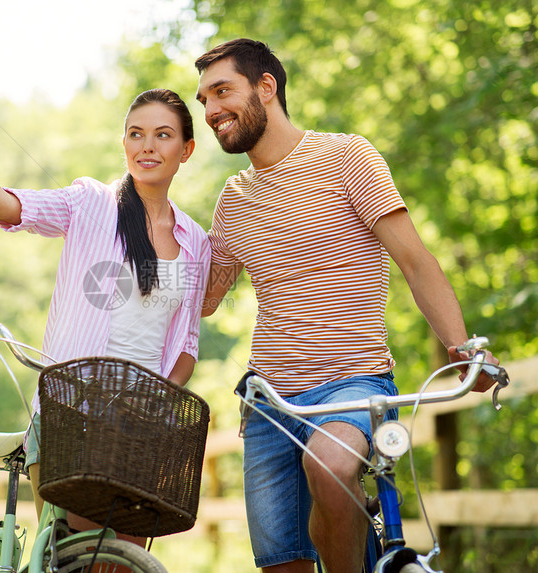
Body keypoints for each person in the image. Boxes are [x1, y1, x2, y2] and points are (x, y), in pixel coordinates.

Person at [194, 39, 499, 572]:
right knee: (283, 564)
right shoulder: (233, 197)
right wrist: (146, 214)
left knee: (331, 465)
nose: (211, 109)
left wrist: (462, 345)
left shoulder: (345, 157)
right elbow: (204, 298)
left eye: (222, 91)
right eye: (203, 100)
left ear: (267, 88)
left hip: (353, 382)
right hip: (268, 399)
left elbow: (415, 260)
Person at [0, 83, 211, 546]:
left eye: (163, 135)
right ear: (124, 144)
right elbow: (7, 206)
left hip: (139, 428)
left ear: (186, 149)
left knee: (123, 560)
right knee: (86, 550)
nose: (147, 145)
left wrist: (153, 404)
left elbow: (186, 346)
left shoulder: (196, 241)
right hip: (72, 417)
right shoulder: (92, 203)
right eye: (135, 134)